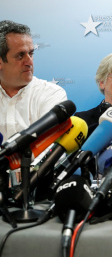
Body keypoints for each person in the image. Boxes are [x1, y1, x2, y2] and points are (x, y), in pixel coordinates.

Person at [0, 20, 67, 193]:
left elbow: (48, 152)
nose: (29, 61)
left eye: (31, 53)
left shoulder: (52, 94)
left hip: (38, 193)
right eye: (20, 55)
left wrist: (11, 180)